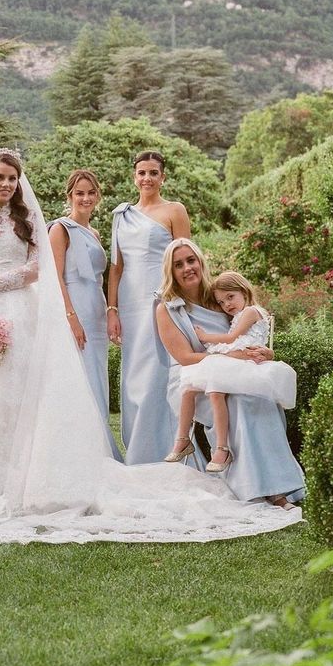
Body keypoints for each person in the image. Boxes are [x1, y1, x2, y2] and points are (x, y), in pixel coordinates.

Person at [0, 149, 300, 544]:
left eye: (12, 178)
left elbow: (34, 271)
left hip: (20, 309)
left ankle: (29, 476)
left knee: (23, 392)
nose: (5, 184)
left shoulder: (30, 221)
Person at [156, 240, 304, 508]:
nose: (187, 268)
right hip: (194, 379)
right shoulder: (167, 308)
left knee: (257, 399)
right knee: (238, 402)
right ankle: (252, 489)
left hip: (232, 370)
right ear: (171, 271)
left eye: (191, 260)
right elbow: (185, 358)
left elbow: (246, 336)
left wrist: (265, 353)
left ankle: (279, 488)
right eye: (178, 264)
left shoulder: (219, 298)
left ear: (200, 261)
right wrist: (231, 358)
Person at [108, 151, 191, 464]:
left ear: (163, 177)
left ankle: (166, 450)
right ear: (134, 176)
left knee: (160, 373)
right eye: (141, 173)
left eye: (153, 173)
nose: (147, 178)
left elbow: (186, 260)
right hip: (129, 303)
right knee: (132, 376)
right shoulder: (121, 215)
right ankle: (137, 451)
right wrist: (112, 309)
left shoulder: (174, 210)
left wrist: (185, 302)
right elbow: (116, 268)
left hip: (162, 299)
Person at [48, 170, 121, 459]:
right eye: (79, 193)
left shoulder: (95, 234)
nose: (85, 198)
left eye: (91, 192)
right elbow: (55, 277)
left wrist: (109, 312)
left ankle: (98, 449)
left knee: (96, 379)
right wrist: (70, 316)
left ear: (98, 196)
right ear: (70, 196)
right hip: (73, 310)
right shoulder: (60, 229)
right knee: (77, 380)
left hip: (96, 310)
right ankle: (76, 454)